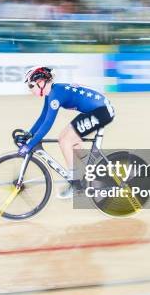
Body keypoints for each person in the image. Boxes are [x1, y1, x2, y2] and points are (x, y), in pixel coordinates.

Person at [18, 66, 115, 198]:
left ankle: (76, 184)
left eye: (31, 85)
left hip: (102, 112)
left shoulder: (55, 95)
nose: (30, 90)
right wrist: (29, 135)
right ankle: (93, 172)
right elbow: (43, 117)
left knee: (65, 140)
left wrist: (30, 145)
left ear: (41, 83)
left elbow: (47, 125)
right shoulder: (51, 93)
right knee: (67, 139)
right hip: (95, 111)